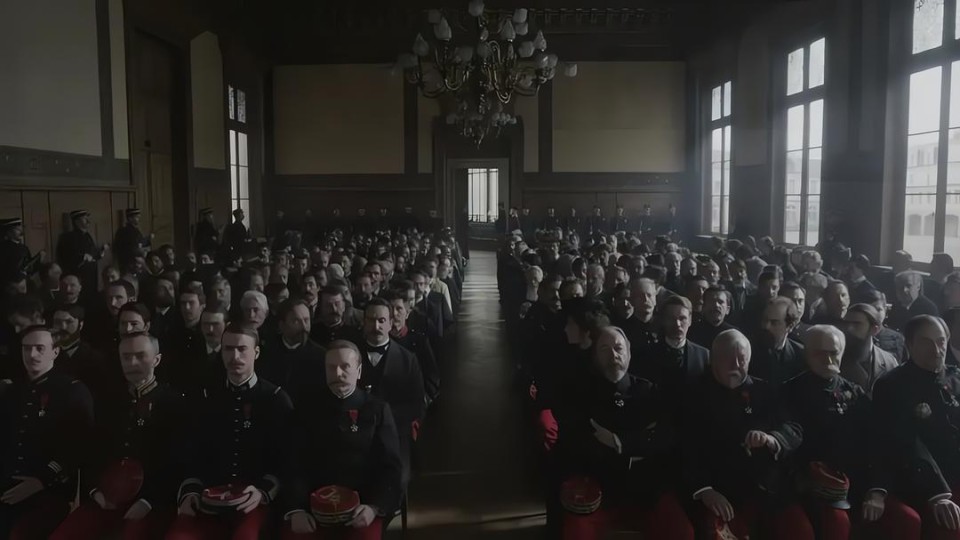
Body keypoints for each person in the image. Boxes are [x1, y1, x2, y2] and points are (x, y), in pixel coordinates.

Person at [558, 327, 694, 540]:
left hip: (649, 490)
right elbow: (577, 443)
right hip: (599, 491)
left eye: (619, 348)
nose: (613, 355)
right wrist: (641, 441)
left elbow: (665, 438)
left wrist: (617, 441)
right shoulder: (581, 396)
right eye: (605, 349)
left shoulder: (649, 392)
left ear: (629, 353)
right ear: (595, 357)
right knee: (577, 532)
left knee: (683, 532)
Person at [51, 332, 182, 540]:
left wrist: (148, 500)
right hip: (104, 498)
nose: (132, 363)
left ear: (156, 360)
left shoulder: (172, 403)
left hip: (151, 502)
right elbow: (92, 452)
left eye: (140, 356)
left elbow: (175, 462)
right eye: (126, 357)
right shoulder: (109, 401)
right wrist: (96, 491)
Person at [167, 324, 294, 540]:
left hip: (254, 501)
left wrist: (262, 491)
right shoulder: (206, 397)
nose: (235, 357)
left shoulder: (276, 399)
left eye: (242, 349)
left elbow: (287, 460)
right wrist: (190, 491)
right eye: (228, 349)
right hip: (208, 500)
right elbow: (191, 452)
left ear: (256, 352)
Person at [683, 329, 810, 540]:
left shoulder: (766, 391)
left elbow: (794, 429)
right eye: (727, 358)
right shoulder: (693, 395)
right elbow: (684, 447)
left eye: (741, 359)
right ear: (713, 359)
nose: (735, 365)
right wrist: (705, 490)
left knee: (799, 530)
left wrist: (772, 439)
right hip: (716, 489)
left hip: (765, 489)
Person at [281, 341, 402, 540]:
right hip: (312, 510)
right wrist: (297, 509)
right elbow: (293, 462)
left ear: (359, 371)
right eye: (331, 367)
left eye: (345, 366)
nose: (338, 373)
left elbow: (391, 467)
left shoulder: (377, 409)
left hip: (361, 508)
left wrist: (373, 507)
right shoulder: (306, 409)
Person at [870, 315, 960, 540]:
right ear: (909, 345)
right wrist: (938, 494)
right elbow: (907, 442)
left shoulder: (956, 377)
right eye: (926, 342)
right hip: (919, 479)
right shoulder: (892, 385)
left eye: (941, 341)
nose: (936, 350)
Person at [0, 326, 95, 538]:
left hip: (49, 492)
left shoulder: (72, 390)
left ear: (55, 351)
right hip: (7, 487)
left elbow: (79, 447)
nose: (32, 354)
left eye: (39, 348)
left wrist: (42, 481)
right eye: (26, 348)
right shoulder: (12, 391)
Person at [355, 298, 425, 487]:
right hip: (357, 434)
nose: (376, 326)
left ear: (390, 323)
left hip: (396, 434)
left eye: (381, 321)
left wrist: (385, 419)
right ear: (364, 322)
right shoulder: (351, 356)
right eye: (371, 320)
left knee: (398, 481)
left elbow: (416, 404)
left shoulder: (407, 359)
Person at [258, 299, 326, 405]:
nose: (304, 327)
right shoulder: (266, 352)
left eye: (306, 320)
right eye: (296, 321)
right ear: (282, 325)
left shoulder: (321, 356)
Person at [839, 304, 898, 396]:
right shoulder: (835, 358)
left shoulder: (889, 361)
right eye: (846, 323)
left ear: (874, 330)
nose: (849, 328)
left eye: (856, 324)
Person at [750, 297, 805, 388]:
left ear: (790, 326)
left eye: (774, 323)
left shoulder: (801, 355)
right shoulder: (747, 351)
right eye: (765, 320)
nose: (766, 326)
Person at [56, 209, 103, 301]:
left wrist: (99, 254)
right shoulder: (67, 237)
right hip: (77, 276)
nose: (88, 221)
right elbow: (64, 257)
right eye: (84, 219)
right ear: (77, 221)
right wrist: (81, 257)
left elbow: (92, 254)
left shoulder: (88, 236)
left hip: (91, 276)